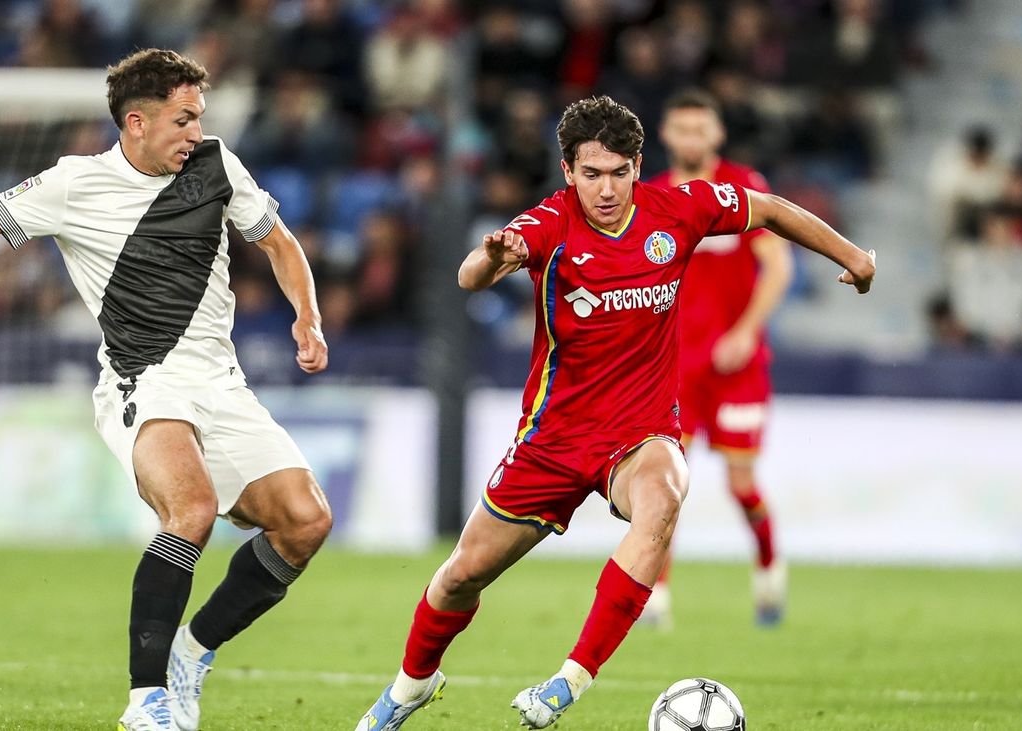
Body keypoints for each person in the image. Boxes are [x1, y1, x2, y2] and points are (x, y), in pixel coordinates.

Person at [0, 48, 333, 731]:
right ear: (135, 123)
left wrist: (308, 316)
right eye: (183, 119)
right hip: (145, 380)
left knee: (305, 519)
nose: (195, 132)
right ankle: (146, 702)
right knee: (192, 509)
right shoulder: (72, 185)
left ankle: (189, 652)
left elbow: (280, 242)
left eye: (198, 117)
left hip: (222, 382)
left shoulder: (217, 165)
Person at [353, 95, 874, 730]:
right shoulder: (549, 223)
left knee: (663, 498)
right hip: (553, 439)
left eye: (619, 172)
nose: (606, 188)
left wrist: (852, 254)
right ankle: (410, 687)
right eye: (591, 173)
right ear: (568, 172)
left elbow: (768, 209)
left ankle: (569, 681)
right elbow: (469, 277)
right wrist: (496, 255)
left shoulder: (678, 209)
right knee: (461, 577)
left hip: (641, 429)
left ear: (637, 166)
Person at [645, 89, 793, 628]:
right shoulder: (650, 198)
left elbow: (778, 267)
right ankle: (655, 598)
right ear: (666, 135)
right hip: (675, 368)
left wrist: (747, 331)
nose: (691, 139)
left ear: (717, 134)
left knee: (741, 484)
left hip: (736, 365)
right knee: (664, 486)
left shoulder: (745, 188)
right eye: (681, 129)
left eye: (699, 129)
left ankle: (770, 569)